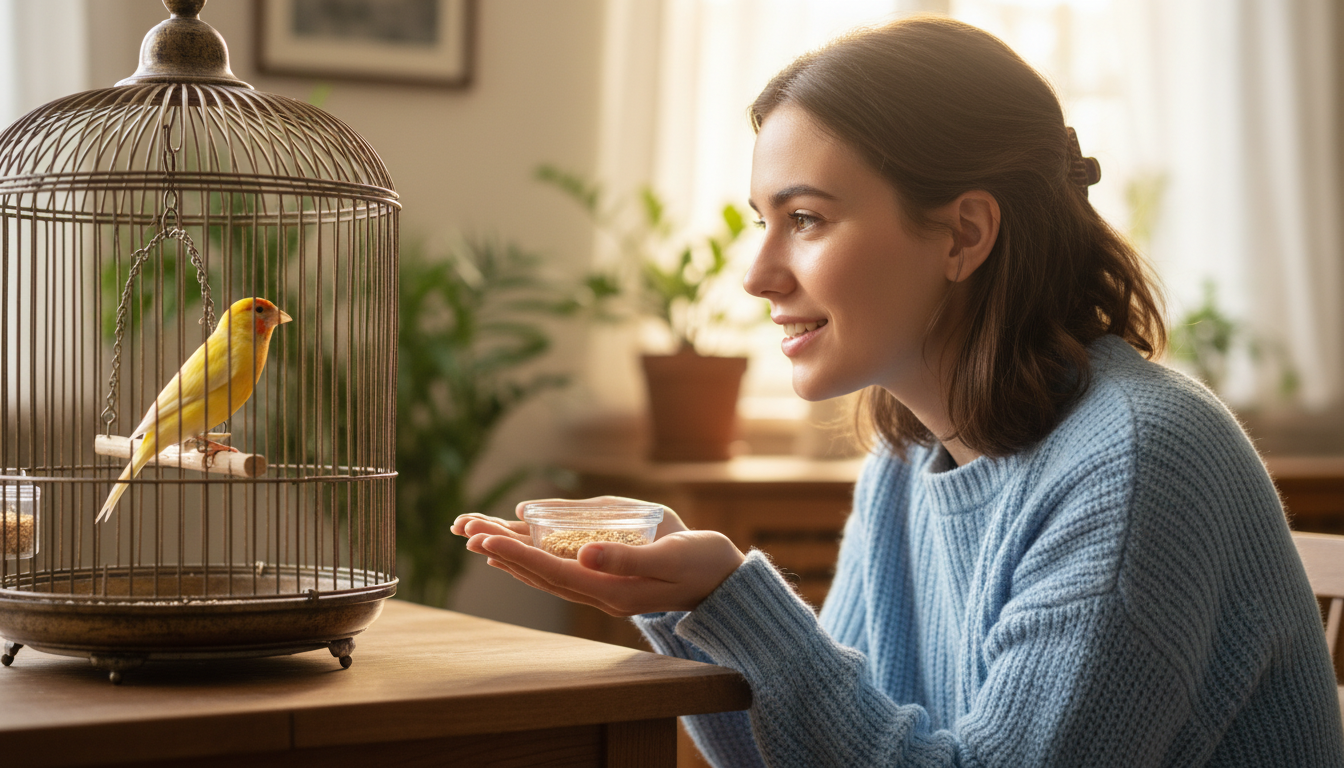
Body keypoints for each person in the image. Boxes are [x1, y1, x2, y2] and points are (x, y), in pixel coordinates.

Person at [451, 16, 1344, 767]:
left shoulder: (1139, 462)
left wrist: (730, 597)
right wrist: (695, 602)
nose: (758, 274)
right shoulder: (909, 459)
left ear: (964, 233)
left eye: (805, 219)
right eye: (766, 221)